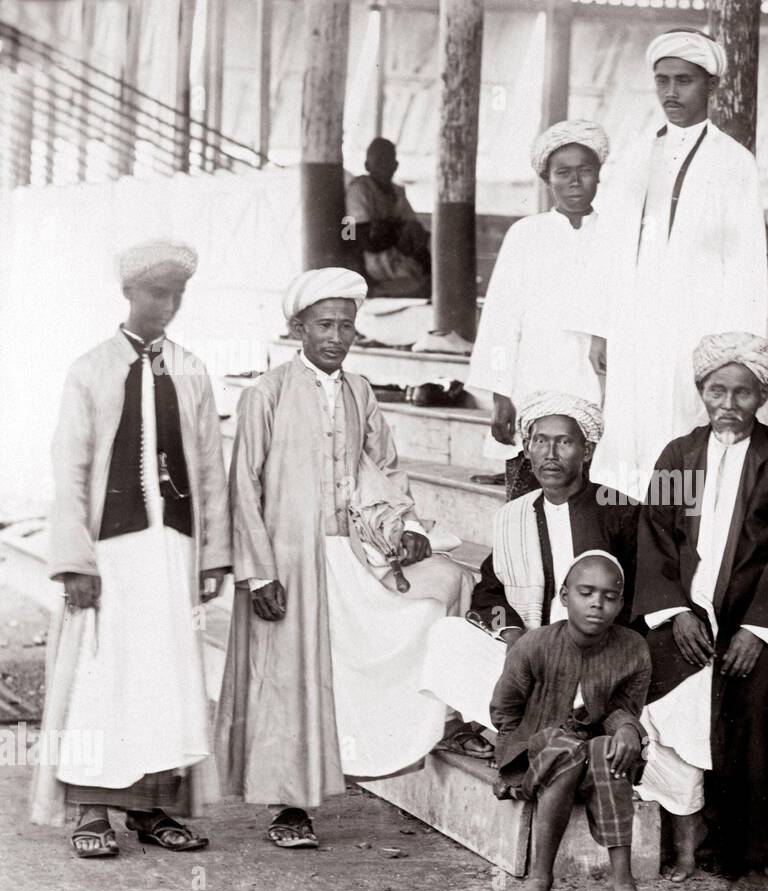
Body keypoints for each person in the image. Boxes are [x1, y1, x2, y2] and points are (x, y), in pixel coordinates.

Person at [216, 268, 474, 848]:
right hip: (286, 560)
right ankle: (288, 809)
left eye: (346, 326)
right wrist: (258, 572)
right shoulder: (267, 394)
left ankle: (382, 752)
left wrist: (405, 527)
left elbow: (385, 469)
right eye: (324, 325)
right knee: (288, 678)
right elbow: (244, 489)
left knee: (431, 598)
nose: (336, 337)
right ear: (298, 328)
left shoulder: (360, 391)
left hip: (354, 553)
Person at [31, 240, 229, 857]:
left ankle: (152, 809)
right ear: (128, 294)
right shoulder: (89, 370)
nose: (167, 306)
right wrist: (74, 563)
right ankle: (92, 809)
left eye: (177, 295)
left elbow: (209, 468)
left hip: (171, 550)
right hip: (109, 555)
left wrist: (214, 554)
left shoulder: (192, 370)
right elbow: (70, 470)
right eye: (156, 293)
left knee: (164, 676)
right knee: (103, 674)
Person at [634, 333, 768, 891]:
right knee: (656, 696)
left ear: (763, 395)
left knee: (761, 713)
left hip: (761, 623)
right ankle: (686, 837)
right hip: (689, 619)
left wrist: (761, 633)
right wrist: (673, 614)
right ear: (701, 391)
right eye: (718, 390)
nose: (729, 405)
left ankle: (760, 857)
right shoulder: (679, 455)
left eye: (744, 392)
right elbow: (655, 539)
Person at [590, 28, 768, 501]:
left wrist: (739, 348)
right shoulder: (632, 159)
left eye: (684, 80)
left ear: (711, 85)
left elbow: (748, 260)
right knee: (631, 435)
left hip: (699, 322)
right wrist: (600, 327)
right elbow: (608, 250)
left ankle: (680, 536)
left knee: (687, 429)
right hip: (634, 323)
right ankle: (635, 534)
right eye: (662, 80)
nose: (671, 92)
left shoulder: (735, 163)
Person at [421, 392, 640, 756]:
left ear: (586, 452)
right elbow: (490, 590)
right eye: (540, 441)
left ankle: (539, 731)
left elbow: (636, 597)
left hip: (595, 655)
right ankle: (543, 729)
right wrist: (513, 635)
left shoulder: (620, 510)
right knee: (448, 634)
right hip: (528, 651)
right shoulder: (515, 515)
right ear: (527, 449)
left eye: (564, 442)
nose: (550, 454)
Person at [490, 551, 655, 891]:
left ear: (620, 604)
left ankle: (623, 883)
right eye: (586, 592)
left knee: (605, 749)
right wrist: (518, 752)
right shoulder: (534, 646)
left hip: (592, 754)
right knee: (565, 750)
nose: (597, 603)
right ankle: (539, 878)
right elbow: (504, 710)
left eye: (609, 597)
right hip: (536, 754)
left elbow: (623, 708)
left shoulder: (633, 649)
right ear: (565, 597)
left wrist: (628, 729)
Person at [468, 120, 611, 500]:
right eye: (563, 172)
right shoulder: (526, 234)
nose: (575, 181)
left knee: (593, 486)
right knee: (530, 492)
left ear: (599, 175)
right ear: (547, 179)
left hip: (597, 383)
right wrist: (501, 395)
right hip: (535, 377)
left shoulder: (619, 233)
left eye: (585, 171)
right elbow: (501, 317)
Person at [345, 137, 432, 297]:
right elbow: (359, 238)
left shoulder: (397, 192)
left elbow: (413, 229)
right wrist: (397, 229)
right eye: (379, 161)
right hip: (374, 264)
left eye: (388, 161)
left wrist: (390, 228)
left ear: (395, 166)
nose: (384, 167)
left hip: (399, 260)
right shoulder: (359, 190)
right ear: (367, 165)